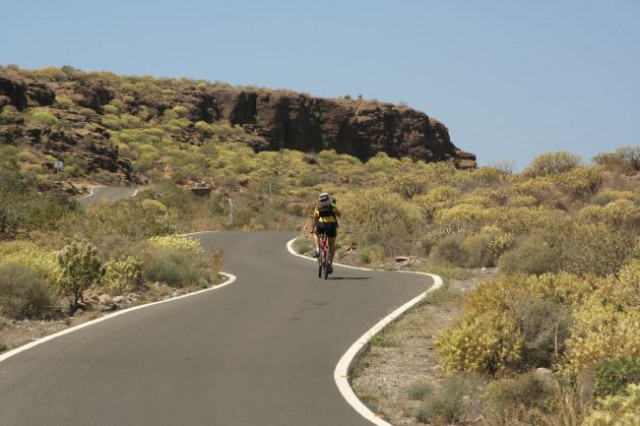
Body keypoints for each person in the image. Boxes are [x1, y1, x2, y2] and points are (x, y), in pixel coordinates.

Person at [312, 192, 341, 273]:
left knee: (315, 233)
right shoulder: (332, 205)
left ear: (319, 199)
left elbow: (315, 219)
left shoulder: (318, 207)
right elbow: (339, 215)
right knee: (331, 245)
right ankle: (330, 265)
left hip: (321, 225)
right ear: (328, 198)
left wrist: (314, 227)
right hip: (331, 226)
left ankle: (318, 248)